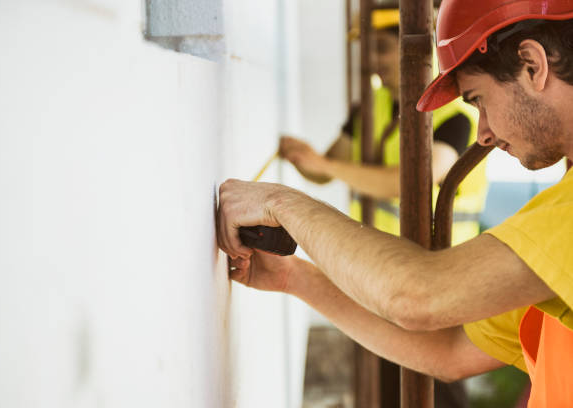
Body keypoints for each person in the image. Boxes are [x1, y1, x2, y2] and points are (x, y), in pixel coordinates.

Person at [218, 1, 573, 406]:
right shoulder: (555, 217)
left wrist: (281, 204)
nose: (484, 133)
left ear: (532, 64)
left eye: (478, 99)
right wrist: (294, 277)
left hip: (425, 282)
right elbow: (451, 348)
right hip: (404, 286)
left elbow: (417, 296)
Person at [279, 9, 487, 247]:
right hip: (375, 258)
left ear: (414, 50)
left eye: (381, 49)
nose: (373, 61)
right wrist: (301, 156)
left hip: (435, 262)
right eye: (368, 51)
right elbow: (325, 170)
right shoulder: (369, 106)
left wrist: (323, 164)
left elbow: (410, 184)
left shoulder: (456, 116)